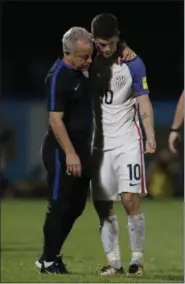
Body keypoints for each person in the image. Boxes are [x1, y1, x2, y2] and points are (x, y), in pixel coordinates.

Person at [36, 26, 136, 274]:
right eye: (83, 56)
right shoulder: (58, 76)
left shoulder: (84, 67)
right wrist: (70, 153)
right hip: (62, 152)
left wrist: (124, 48)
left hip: (84, 151)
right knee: (59, 204)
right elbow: (55, 120)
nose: (89, 60)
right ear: (67, 53)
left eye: (90, 54)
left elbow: (109, 43)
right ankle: (49, 261)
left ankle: (50, 256)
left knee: (77, 205)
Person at [90, 13, 156, 276]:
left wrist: (150, 135)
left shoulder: (133, 63)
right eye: (100, 44)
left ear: (118, 37)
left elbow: (143, 101)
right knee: (104, 203)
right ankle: (114, 263)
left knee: (129, 198)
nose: (104, 49)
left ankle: (137, 261)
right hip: (99, 145)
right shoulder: (89, 60)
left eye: (110, 43)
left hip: (128, 140)